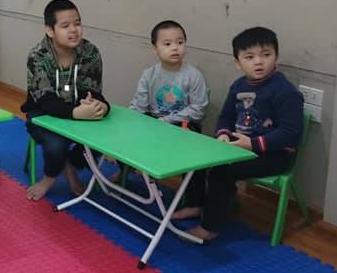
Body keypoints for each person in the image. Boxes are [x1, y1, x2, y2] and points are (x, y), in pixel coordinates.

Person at [185, 27, 304, 239]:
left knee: (222, 171)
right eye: (249, 57)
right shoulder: (238, 86)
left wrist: (252, 144)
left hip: (274, 155)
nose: (258, 62)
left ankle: (209, 228)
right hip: (240, 145)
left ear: (276, 57)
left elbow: (290, 133)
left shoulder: (284, 91)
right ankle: (197, 205)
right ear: (238, 63)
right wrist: (222, 134)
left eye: (266, 55)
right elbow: (226, 116)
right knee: (199, 155)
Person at [22, 0, 110, 201]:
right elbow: (45, 100)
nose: (73, 30)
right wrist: (74, 113)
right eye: (65, 26)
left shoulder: (90, 52)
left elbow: (93, 90)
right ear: (50, 30)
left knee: (104, 139)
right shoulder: (38, 56)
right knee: (56, 143)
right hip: (43, 113)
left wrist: (100, 106)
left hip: (78, 109)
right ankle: (49, 178)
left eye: (77, 23)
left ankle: (69, 163)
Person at [130, 19, 208, 209]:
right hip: (154, 122)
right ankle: (127, 171)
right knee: (126, 135)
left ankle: (194, 204)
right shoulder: (149, 74)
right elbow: (139, 105)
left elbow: (198, 109)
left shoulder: (193, 75)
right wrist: (129, 121)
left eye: (180, 42)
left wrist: (168, 120)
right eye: (167, 44)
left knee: (198, 155)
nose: (175, 48)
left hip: (183, 124)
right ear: (155, 48)